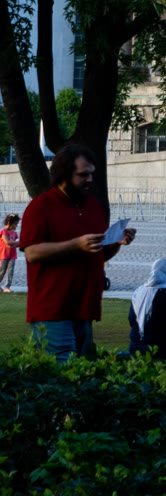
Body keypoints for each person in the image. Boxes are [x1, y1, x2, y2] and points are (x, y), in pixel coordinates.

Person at [21, 141, 136, 362]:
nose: (90, 179)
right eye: (83, 175)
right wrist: (76, 244)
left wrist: (116, 242)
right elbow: (32, 253)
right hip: (52, 310)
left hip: (84, 309)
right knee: (63, 371)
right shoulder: (40, 207)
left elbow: (98, 255)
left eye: (91, 174)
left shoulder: (94, 206)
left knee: (82, 372)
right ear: (64, 175)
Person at [0, 212, 18, 292]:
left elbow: (15, 244)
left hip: (12, 255)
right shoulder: (3, 231)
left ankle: (7, 287)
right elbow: (7, 242)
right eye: (15, 224)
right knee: (2, 271)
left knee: (10, 271)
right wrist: (17, 242)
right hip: (4, 255)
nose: (16, 226)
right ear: (9, 222)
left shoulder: (14, 233)